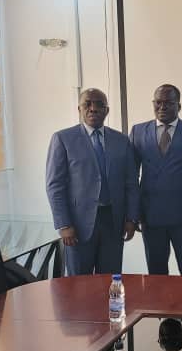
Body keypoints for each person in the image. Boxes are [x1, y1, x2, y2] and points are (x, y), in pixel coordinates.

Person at [45, 88, 139, 276]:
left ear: (107, 110)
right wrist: (64, 224)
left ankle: (111, 308)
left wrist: (131, 218)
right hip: (78, 225)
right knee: (79, 285)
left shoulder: (121, 140)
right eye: (87, 104)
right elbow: (55, 185)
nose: (93, 108)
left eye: (99, 104)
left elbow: (131, 182)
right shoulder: (63, 138)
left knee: (111, 280)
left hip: (113, 222)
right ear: (79, 109)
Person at [129, 84, 182, 275]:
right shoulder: (138, 131)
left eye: (168, 103)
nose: (162, 107)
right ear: (153, 104)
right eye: (158, 102)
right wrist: (134, 213)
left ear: (179, 106)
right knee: (156, 275)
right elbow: (131, 177)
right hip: (150, 217)